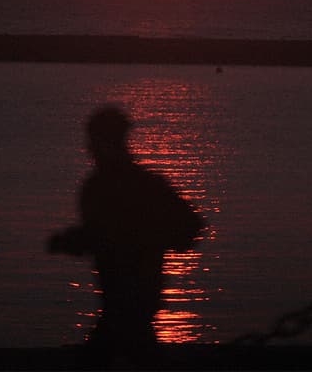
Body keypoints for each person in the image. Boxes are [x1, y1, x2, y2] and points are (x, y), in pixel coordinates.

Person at [49, 106, 204, 365]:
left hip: (128, 306)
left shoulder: (100, 188)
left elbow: (104, 236)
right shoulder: (145, 185)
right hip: (136, 304)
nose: (89, 148)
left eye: (93, 140)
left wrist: (73, 241)